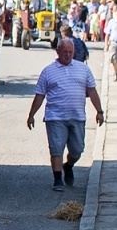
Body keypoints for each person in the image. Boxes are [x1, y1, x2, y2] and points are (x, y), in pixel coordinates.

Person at [27, 36, 105, 190]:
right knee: (56, 148)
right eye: (64, 52)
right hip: (55, 117)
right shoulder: (48, 72)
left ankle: (68, 165)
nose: (68, 55)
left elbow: (92, 91)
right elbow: (40, 95)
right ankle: (57, 180)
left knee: (77, 150)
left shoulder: (83, 69)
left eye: (70, 52)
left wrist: (99, 111)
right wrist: (31, 115)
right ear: (57, 51)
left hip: (77, 116)